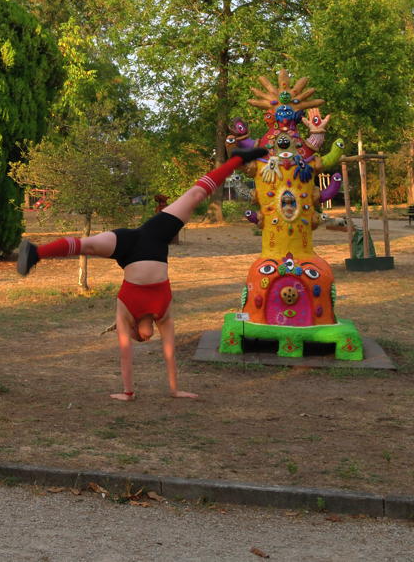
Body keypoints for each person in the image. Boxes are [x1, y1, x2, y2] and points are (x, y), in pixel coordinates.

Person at [16, 146, 269, 401]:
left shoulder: (125, 314)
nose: (146, 339)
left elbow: (125, 352)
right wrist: (174, 389)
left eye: (141, 338)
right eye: (147, 339)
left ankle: (36, 253)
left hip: (126, 244)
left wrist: (127, 392)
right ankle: (238, 158)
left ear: (136, 330)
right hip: (155, 239)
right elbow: (169, 352)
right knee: (194, 196)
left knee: (88, 245)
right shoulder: (164, 315)